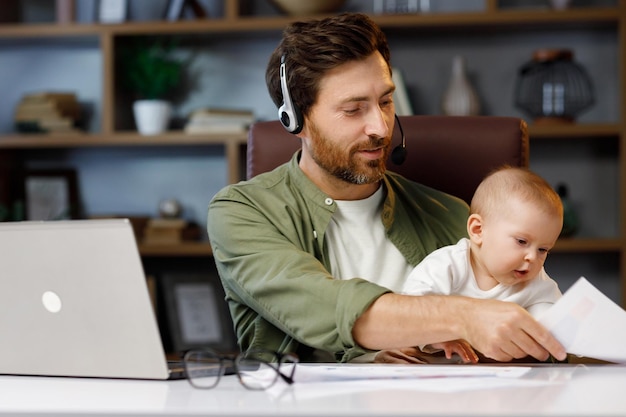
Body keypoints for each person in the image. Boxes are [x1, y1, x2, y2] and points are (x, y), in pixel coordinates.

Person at [207, 12, 566, 364]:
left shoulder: (454, 216)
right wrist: (465, 316)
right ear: (296, 119)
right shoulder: (242, 212)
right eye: (353, 110)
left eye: (385, 101)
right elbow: (327, 306)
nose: (381, 127)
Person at [400, 166, 564, 362]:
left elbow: (552, 320)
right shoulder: (448, 264)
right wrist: (436, 336)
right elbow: (413, 307)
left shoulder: (536, 281)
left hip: (499, 375)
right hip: (440, 370)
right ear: (478, 230)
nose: (532, 257)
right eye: (521, 242)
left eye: (542, 250)